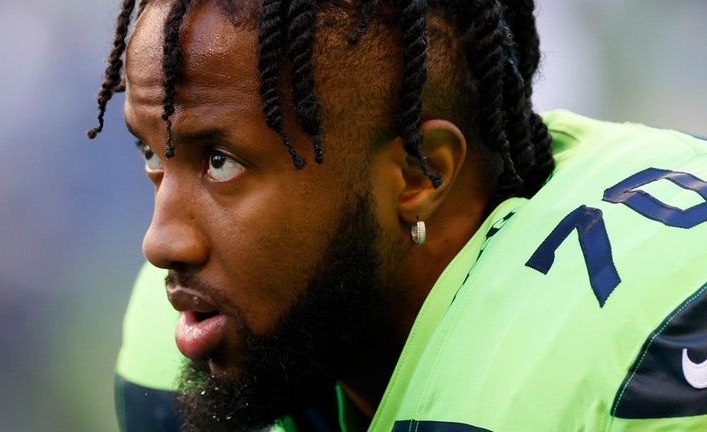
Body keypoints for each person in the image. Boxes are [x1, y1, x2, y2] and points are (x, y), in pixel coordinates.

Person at [89, 0, 707, 431]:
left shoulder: (648, 361)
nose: (161, 240)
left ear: (419, 174)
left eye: (221, 162)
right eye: (152, 152)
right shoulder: (195, 338)